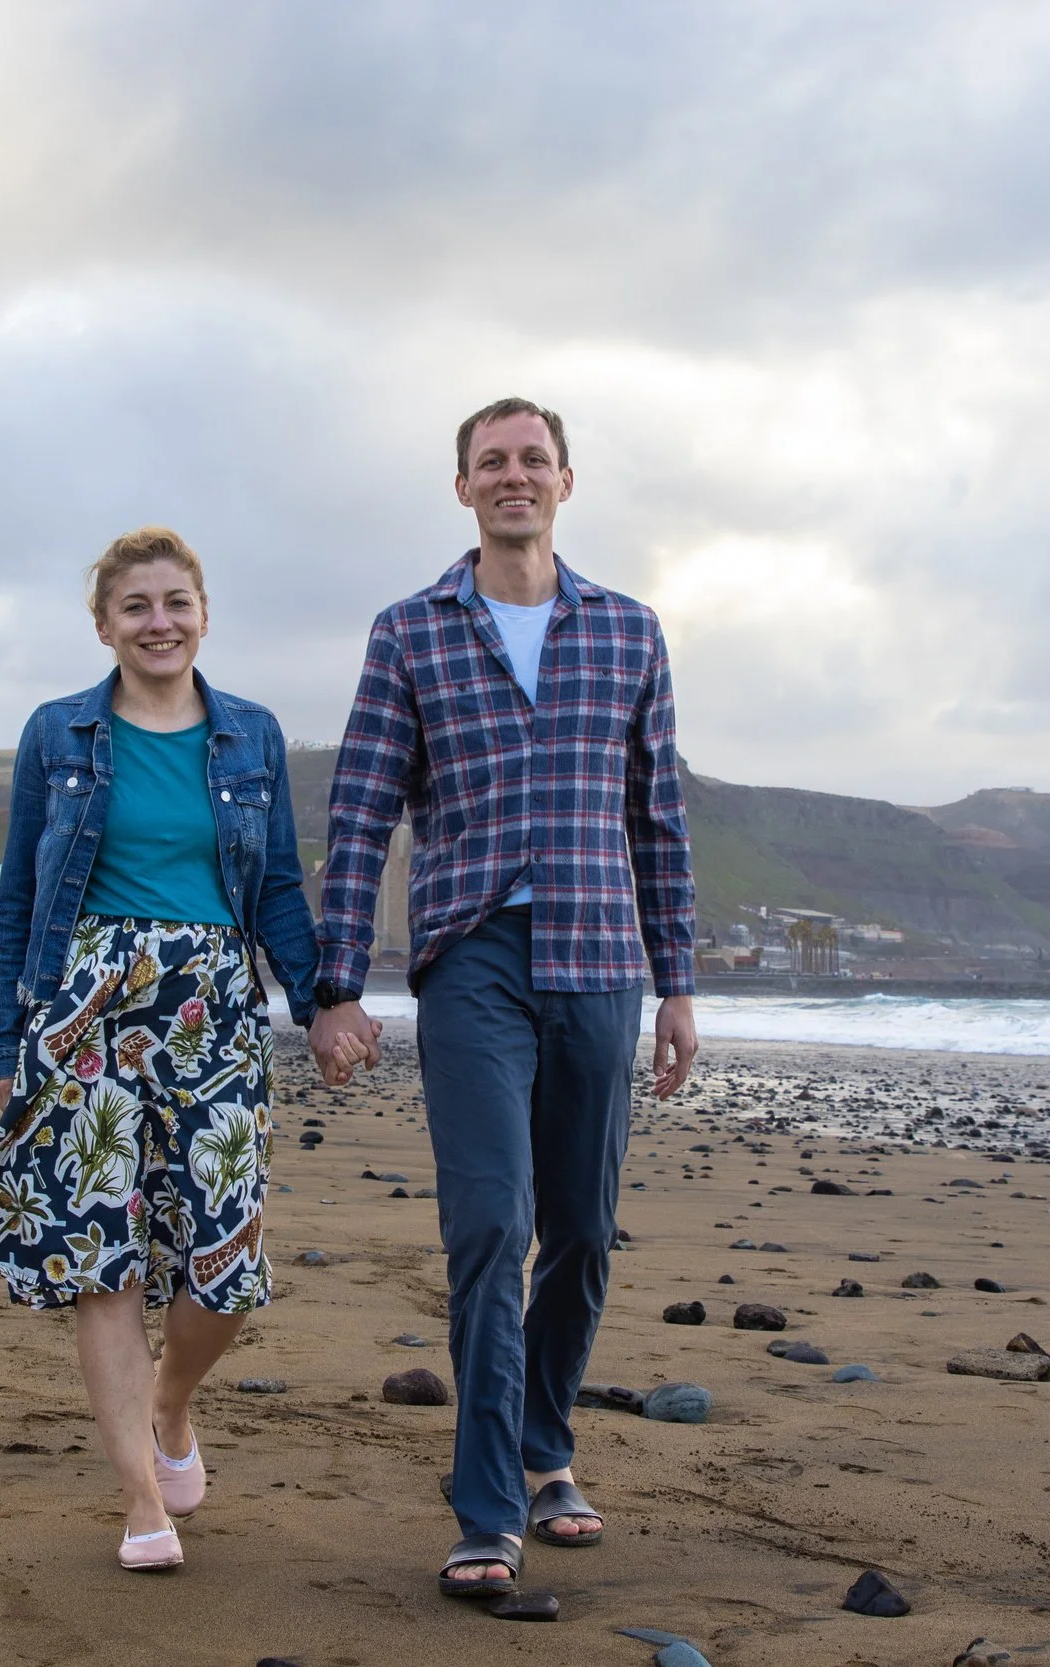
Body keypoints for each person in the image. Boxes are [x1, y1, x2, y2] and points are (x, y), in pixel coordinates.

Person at [309, 397, 699, 1600]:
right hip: (471, 955)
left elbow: (659, 821)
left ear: (565, 483)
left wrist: (678, 983)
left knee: (580, 1227)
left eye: (533, 459)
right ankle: (486, 1504)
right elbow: (361, 812)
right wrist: (335, 987)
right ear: (464, 488)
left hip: (600, 958)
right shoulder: (409, 631)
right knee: (490, 1223)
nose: (513, 477)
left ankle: (545, 1447)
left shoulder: (628, 632)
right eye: (492, 462)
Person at [0, 526, 326, 1573]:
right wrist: (5, 1037)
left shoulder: (250, 734)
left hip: (213, 1008)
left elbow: (282, 890)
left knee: (225, 1263)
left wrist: (321, 997)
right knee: (99, 1260)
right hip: (84, 1012)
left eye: (175, 602)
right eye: (135, 607)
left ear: (203, 612)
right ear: (105, 623)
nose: (157, 622)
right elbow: (21, 897)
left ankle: (172, 1402)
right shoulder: (58, 732)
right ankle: (138, 1502)